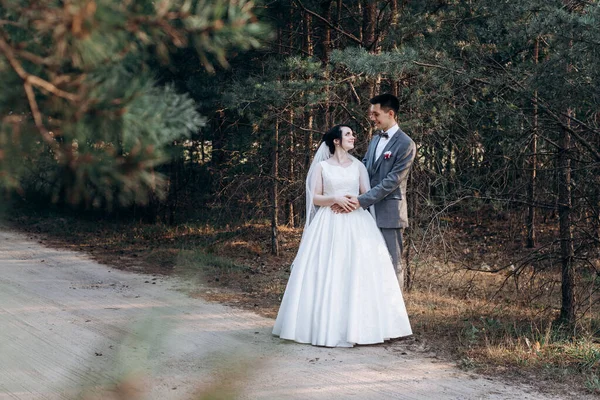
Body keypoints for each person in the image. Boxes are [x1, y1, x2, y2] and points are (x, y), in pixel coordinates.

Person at [272, 124, 412, 347]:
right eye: (348, 134)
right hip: (329, 222)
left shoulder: (358, 166)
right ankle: (324, 326)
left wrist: (354, 203)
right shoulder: (321, 167)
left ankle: (361, 327)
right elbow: (315, 198)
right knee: (329, 270)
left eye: (352, 134)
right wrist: (334, 199)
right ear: (336, 141)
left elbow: (366, 195)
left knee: (357, 270)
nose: (353, 137)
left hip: (357, 222)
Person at [340, 94, 416, 289]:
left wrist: (362, 200)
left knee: (393, 263)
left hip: (390, 213)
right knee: (369, 262)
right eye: (371, 114)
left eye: (376, 114)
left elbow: (392, 181)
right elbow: (364, 167)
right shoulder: (375, 139)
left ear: (390, 114)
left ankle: (394, 313)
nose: (372, 118)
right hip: (366, 213)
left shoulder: (406, 144)